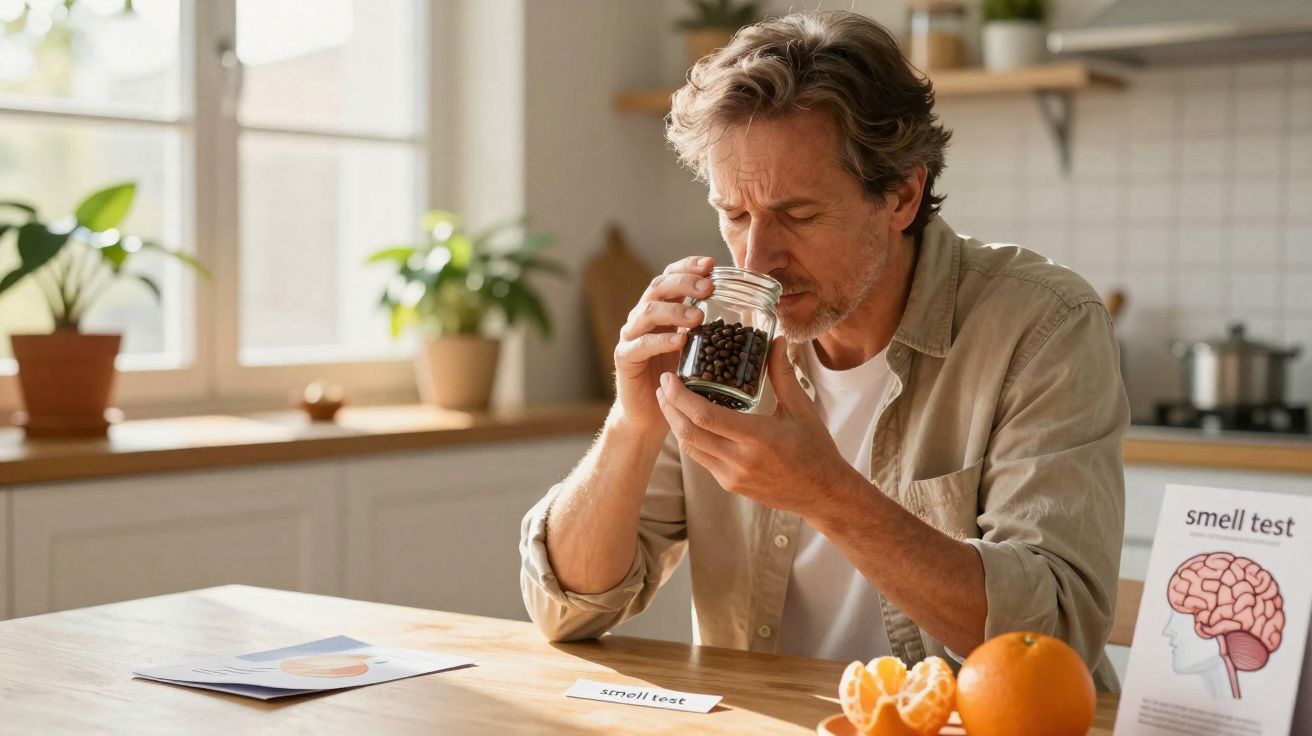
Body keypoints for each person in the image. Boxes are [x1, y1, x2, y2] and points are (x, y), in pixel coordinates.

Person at [519, 10, 1128, 691]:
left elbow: (1052, 640)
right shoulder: (723, 346)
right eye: (735, 214)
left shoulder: (1042, 326)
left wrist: (824, 491)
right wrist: (631, 425)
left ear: (902, 194)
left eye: (798, 216)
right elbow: (565, 609)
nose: (755, 260)